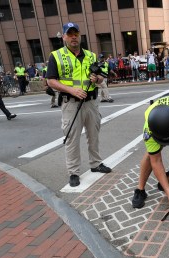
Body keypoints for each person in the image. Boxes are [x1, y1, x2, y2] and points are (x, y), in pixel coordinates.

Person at [46, 22, 112, 187]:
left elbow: (101, 76)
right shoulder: (56, 55)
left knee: (94, 135)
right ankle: (74, 172)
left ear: (80, 35)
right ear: (64, 37)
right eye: (70, 34)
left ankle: (95, 163)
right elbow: (50, 81)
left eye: (76, 33)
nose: (73, 36)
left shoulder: (90, 55)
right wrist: (71, 90)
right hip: (71, 103)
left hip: (91, 102)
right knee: (72, 139)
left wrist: (97, 79)